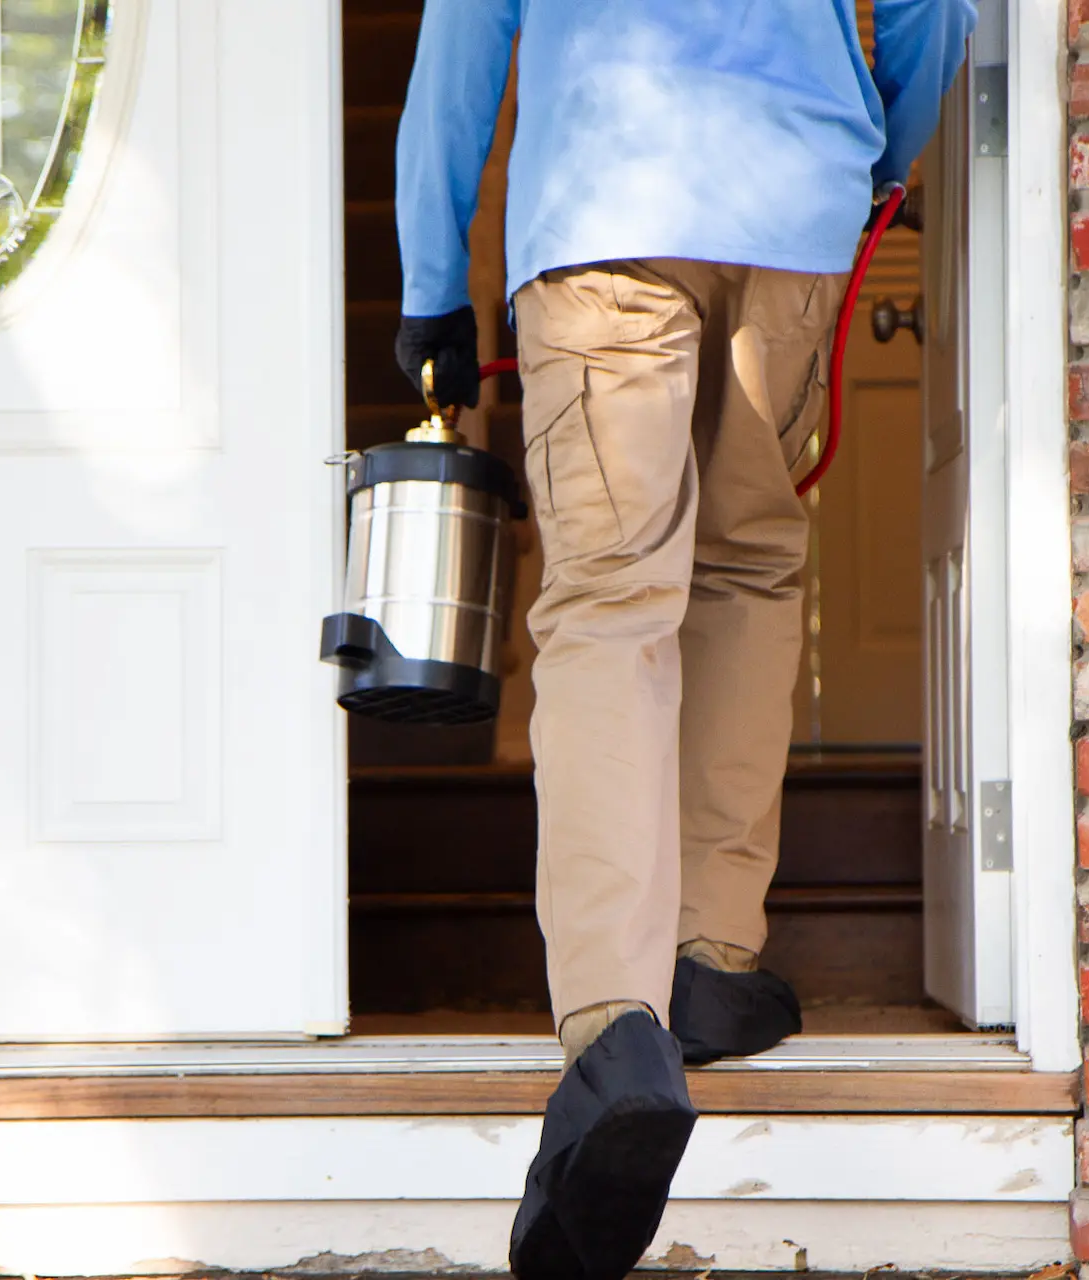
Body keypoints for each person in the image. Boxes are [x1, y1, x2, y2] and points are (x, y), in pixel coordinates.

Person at [393, 4, 973, 1277]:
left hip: (606, 203)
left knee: (611, 607)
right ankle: (712, 955)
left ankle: (616, 1026)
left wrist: (433, 279)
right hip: (794, 204)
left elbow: (460, 41)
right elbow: (934, 12)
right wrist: (871, 156)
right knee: (748, 572)